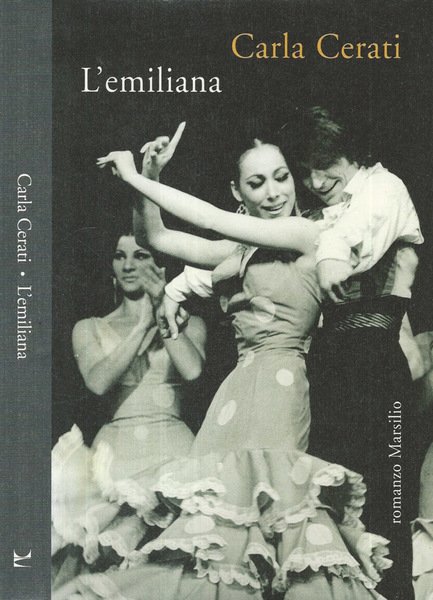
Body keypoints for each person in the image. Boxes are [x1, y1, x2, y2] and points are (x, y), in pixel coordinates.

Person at [67, 133, 394, 600]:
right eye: (257, 183)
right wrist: (151, 176)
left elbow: (209, 218)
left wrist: (136, 178)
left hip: (281, 386)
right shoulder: (237, 252)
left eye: (281, 178)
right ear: (238, 191)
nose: (274, 193)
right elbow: (154, 238)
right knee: (213, 526)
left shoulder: (309, 234)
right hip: (233, 391)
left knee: (271, 509)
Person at [51, 235, 206, 590]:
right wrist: (141, 326)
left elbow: (192, 369)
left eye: (140, 255)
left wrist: (162, 309)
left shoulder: (190, 324)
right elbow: (98, 382)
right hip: (116, 457)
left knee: (170, 570)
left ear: (160, 266)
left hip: (174, 452)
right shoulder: (88, 327)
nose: (129, 265)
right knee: (111, 566)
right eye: (120, 256)